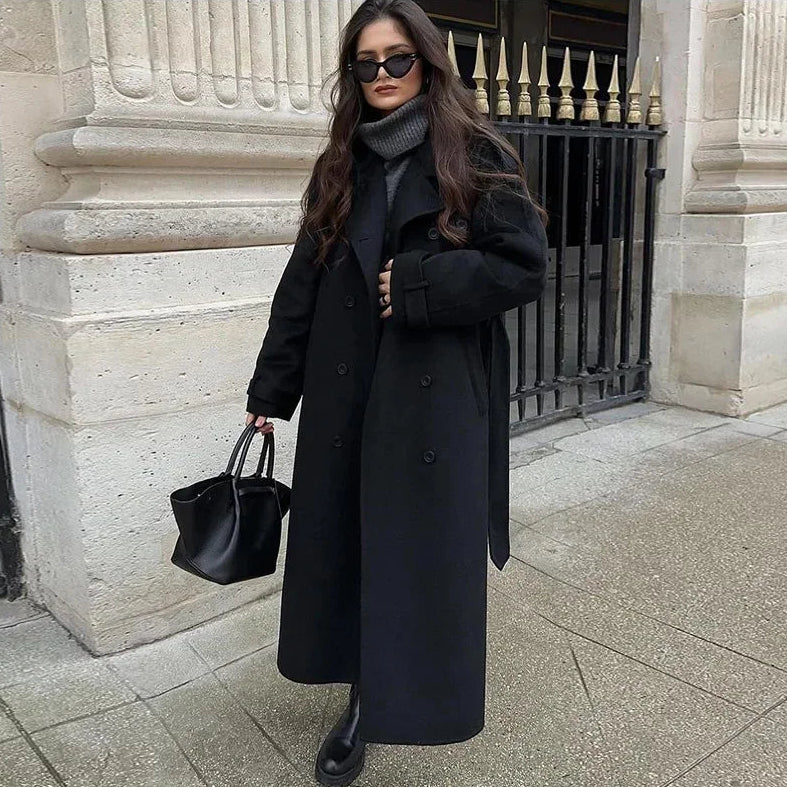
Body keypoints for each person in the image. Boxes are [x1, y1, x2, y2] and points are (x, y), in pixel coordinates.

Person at [244, 1, 548, 784]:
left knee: (416, 554)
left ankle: (403, 695)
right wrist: (271, 390)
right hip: (343, 393)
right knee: (346, 542)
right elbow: (300, 285)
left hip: (433, 399)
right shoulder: (339, 162)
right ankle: (359, 697)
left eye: (397, 59)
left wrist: (417, 283)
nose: (380, 76)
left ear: (429, 61)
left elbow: (522, 265)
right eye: (365, 63)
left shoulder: (474, 154)